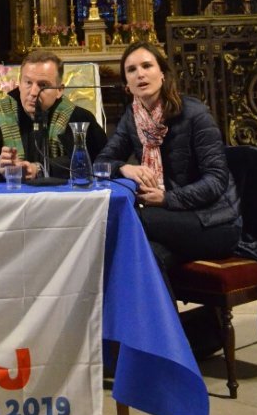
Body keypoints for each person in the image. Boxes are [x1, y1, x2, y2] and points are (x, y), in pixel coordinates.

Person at [98, 40, 241, 291]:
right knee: (148, 257)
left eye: (147, 66)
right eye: (131, 70)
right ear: (127, 85)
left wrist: (166, 198)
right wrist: (124, 168)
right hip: (170, 221)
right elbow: (100, 164)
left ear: (162, 74)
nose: (140, 74)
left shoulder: (195, 114)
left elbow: (217, 180)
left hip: (214, 221)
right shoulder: (133, 119)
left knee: (129, 218)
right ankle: (175, 330)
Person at [0, 53, 107, 182]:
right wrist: (1, 169)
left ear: (59, 90)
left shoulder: (78, 117)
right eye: (28, 83)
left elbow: (95, 161)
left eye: (43, 85)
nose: (34, 92)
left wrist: (39, 169)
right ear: (19, 84)